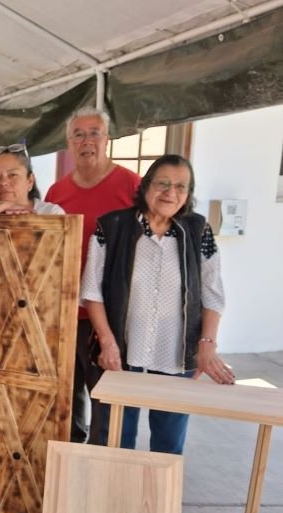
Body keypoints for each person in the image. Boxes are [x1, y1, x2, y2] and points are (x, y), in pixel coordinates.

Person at [81, 154, 234, 454]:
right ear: (146, 185)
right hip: (121, 354)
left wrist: (207, 346)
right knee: (116, 442)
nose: (170, 192)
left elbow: (212, 294)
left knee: (168, 446)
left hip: (175, 354)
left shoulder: (198, 230)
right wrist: (107, 343)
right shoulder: (112, 227)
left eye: (180, 186)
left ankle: (158, 488)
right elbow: (91, 291)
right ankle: (117, 487)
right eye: (162, 183)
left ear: (188, 193)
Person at [44, 107, 141, 444]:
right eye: (79, 135)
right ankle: (70, 463)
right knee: (63, 402)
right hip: (65, 314)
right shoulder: (57, 193)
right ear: (69, 143)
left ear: (107, 139)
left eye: (94, 133)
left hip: (111, 317)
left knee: (107, 404)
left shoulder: (132, 187)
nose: (87, 141)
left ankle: (104, 466)